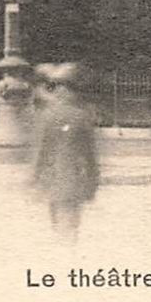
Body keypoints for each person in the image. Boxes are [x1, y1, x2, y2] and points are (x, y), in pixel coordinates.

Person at [31, 62, 99, 242]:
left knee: (57, 223)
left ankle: (62, 255)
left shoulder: (47, 116)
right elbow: (90, 156)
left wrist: (35, 178)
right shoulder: (82, 116)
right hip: (74, 179)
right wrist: (93, 182)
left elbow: (40, 152)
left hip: (52, 179)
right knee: (70, 226)